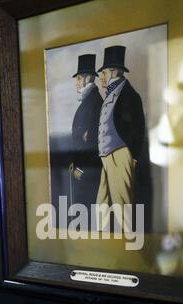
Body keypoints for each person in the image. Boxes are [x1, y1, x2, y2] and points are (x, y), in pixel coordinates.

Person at [96, 45, 151, 233]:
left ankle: (130, 247)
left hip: (120, 154)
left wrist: (133, 157)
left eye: (103, 73)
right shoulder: (109, 94)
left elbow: (138, 128)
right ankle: (103, 248)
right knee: (102, 205)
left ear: (113, 72)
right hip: (106, 156)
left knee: (123, 208)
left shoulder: (130, 95)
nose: (101, 77)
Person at [70, 54, 103, 212]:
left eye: (78, 79)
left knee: (87, 213)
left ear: (88, 78)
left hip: (88, 172)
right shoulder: (89, 100)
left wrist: (81, 169)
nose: (76, 83)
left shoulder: (94, 103)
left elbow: (92, 142)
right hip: (84, 170)